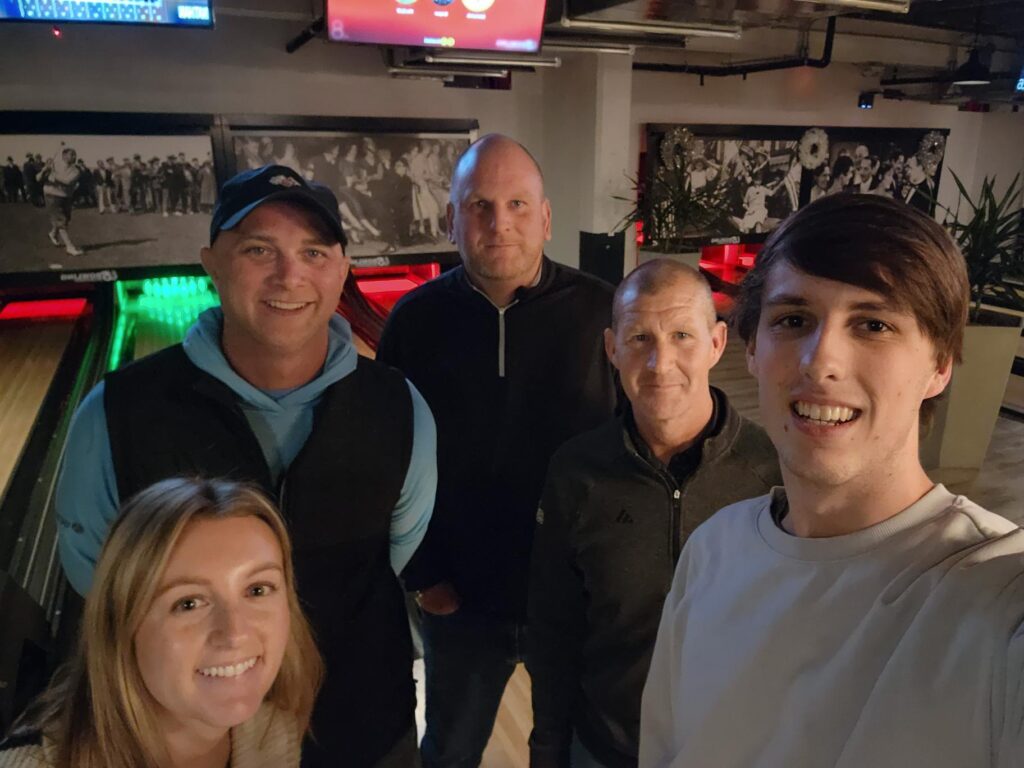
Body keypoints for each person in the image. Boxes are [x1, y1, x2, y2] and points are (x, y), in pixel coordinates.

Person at [54, 164, 437, 768]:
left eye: (314, 252)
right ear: (211, 263)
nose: (290, 275)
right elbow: (102, 588)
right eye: (259, 249)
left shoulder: (400, 406)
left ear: (342, 269)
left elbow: (397, 551)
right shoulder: (115, 414)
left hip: (365, 724)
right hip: (188, 741)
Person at [639, 194, 1024, 768]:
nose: (821, 363)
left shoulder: (993, 598)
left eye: (873, 325)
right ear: (752, 349)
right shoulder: (712, 550)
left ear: (940, 364)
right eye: (794, 320)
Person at [377, 134, 618, 768]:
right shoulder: (414, 321)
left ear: (545, 218)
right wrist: (423, 576)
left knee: (571, 750)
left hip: (575, 597)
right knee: (450, 750)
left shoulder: (603, 312)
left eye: (517, 205)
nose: (499, 223)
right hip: (461, 600)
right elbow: (385, 456)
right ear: (450, 219)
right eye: (479, 205)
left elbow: (637, 445)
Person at [528, 260, 781, 768]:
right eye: (639, 337)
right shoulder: (576, 471)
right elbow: (554, 626)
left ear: (716, 343)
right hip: (606, 748)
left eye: (682, 335)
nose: (660, 363)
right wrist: (547, 748)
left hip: (737, 750)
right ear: (611, 348)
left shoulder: (773, 469)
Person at [0, 476, 322, 768]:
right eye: (188, 603)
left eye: (257, 590)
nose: (235, 633)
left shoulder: (272, 731)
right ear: (122, 626)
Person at [37, 146, 84, 257]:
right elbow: (38, 178)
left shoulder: (76, 170)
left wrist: (54, 175)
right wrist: (44, 170)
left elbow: (67, 182)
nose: (74, 157)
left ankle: (53, 234)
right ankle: (70, 247)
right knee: (61, 220)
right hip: (51, 195)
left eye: (75, 154)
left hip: (66, 196)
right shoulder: (54, 165)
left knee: (66, 219)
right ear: (64, 156)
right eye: (72, 154)